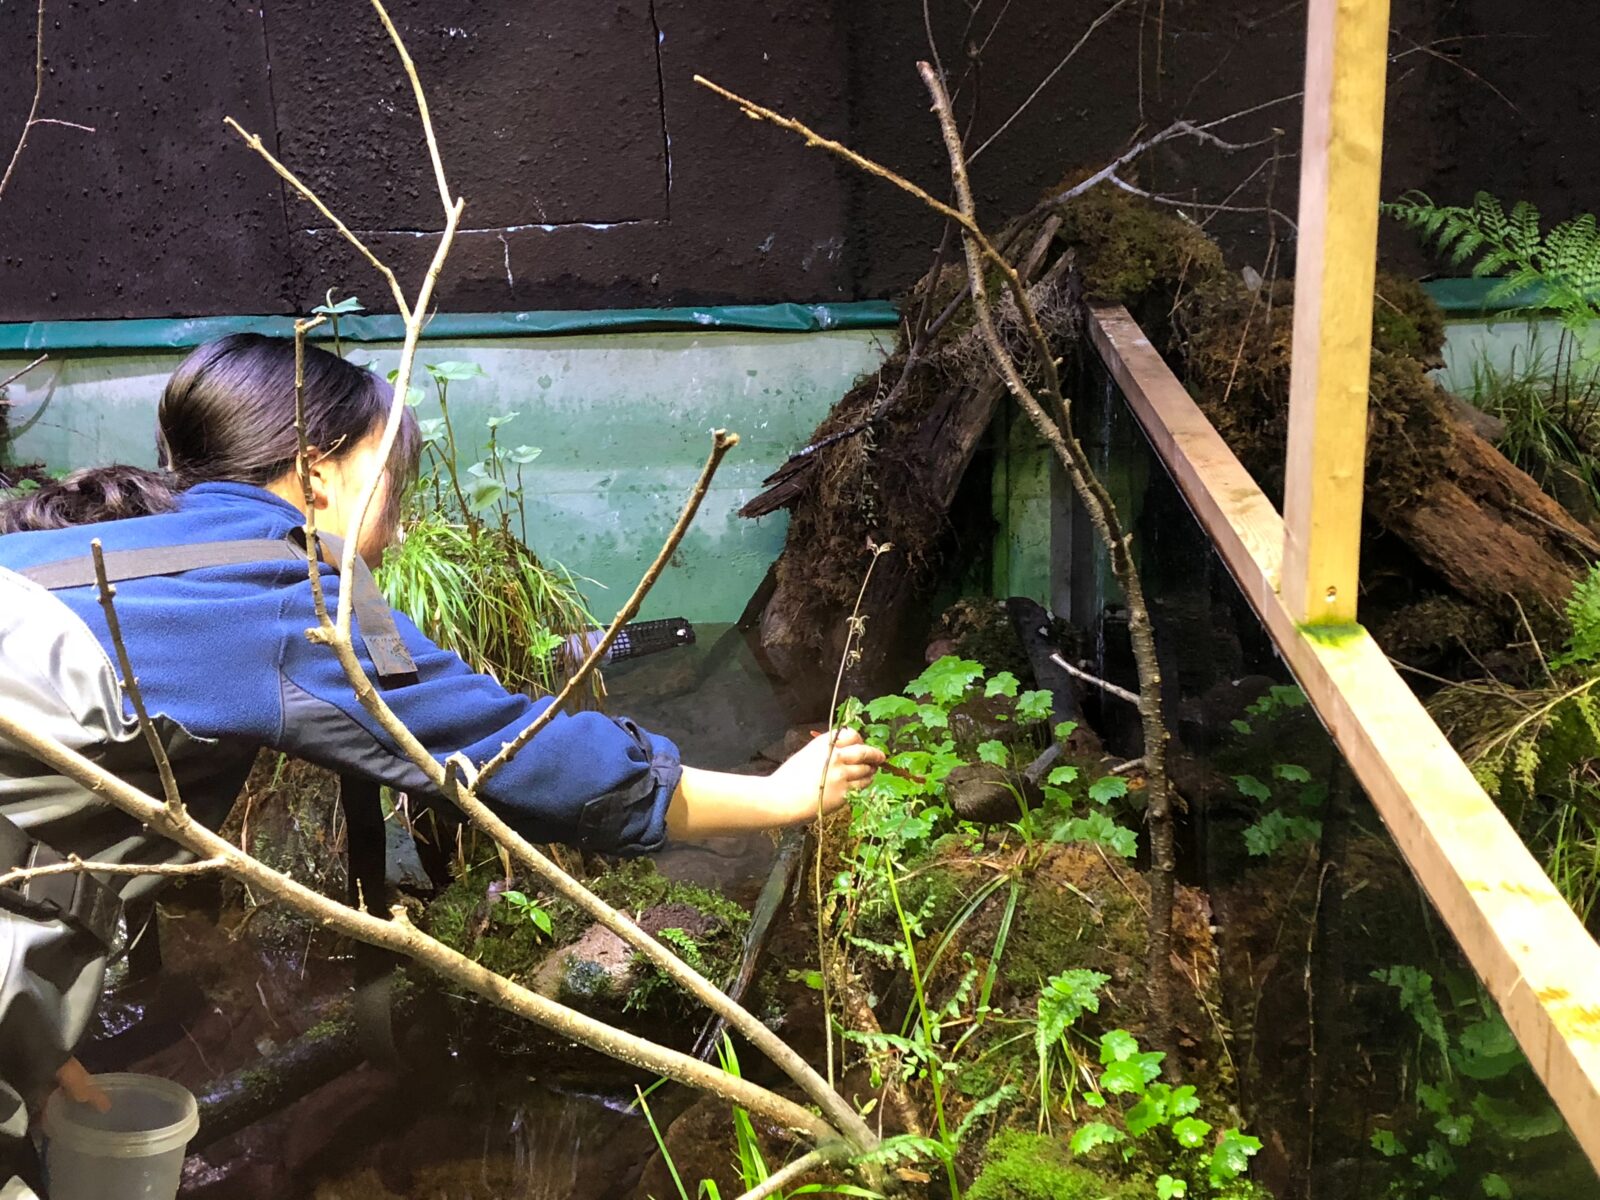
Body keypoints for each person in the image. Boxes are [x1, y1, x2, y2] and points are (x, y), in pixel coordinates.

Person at [0, 333, 882, 1166]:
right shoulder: (279, 589)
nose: (403, 517)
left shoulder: (68, 549)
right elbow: (514, 753)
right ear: (316, 476)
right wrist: (776, 798)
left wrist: (27, 1044)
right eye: (394, 477)